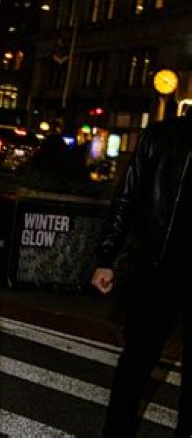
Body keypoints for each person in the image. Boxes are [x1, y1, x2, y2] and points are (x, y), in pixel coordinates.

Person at [90, 108, 192, 437]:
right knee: (137, 361)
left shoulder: (159, 135)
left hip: (157, 268)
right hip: (156, 269)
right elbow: (128, 197)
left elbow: (126, 198)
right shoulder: (161, 136)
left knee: (136, 362)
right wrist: (106, 256)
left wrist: (107, 255)